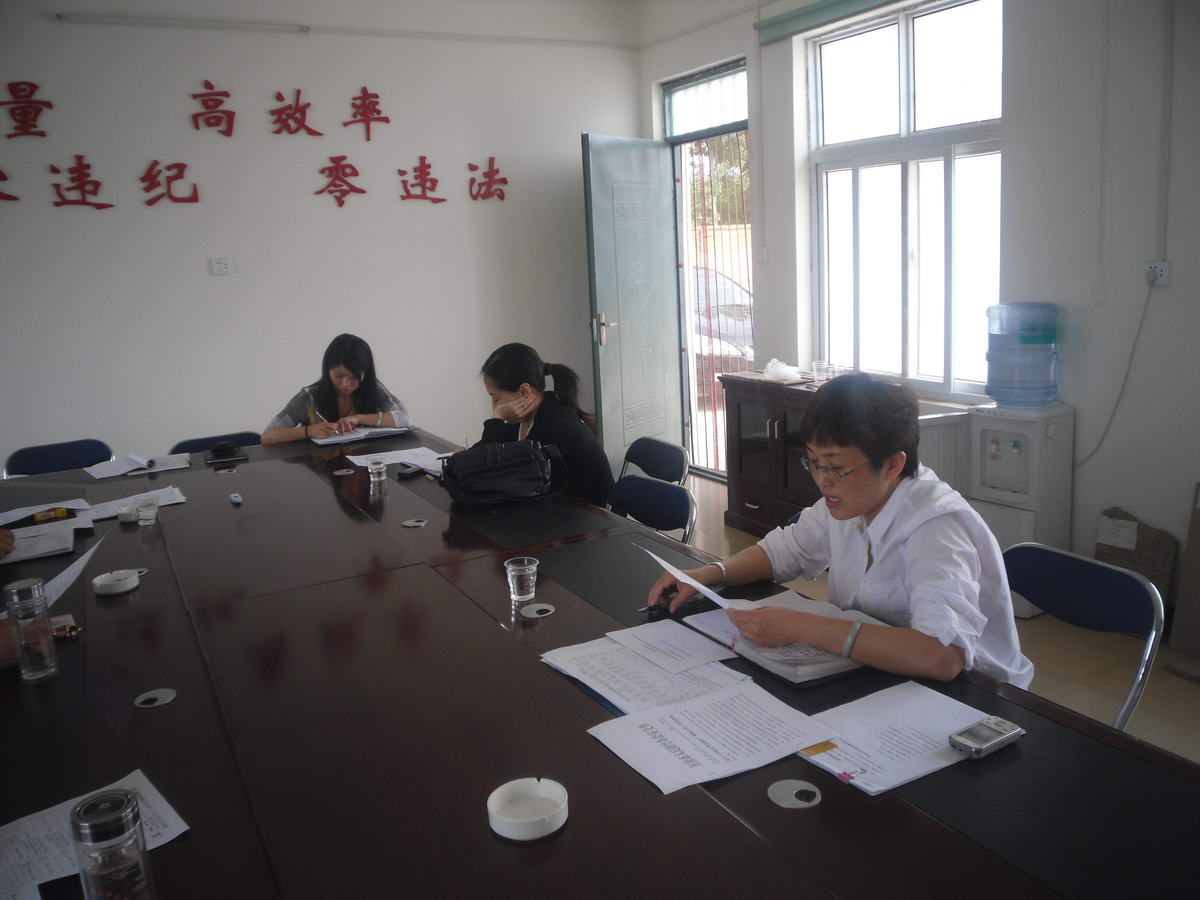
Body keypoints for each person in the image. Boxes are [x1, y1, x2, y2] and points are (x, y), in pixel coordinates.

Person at [648, 373, 1033, 687]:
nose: (822, 480)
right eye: (814, 463)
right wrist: (708, 575)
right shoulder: (850, 501)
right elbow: (785, 551)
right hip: (882, 676)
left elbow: (940, 655)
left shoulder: (937, 527)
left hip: (975, 698)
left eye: (836, 467)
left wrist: (802, 626)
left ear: (893, 464)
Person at [477, 343, 613, 507]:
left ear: (525, 392)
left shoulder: (552, 425)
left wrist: (497, 417)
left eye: (495, 398)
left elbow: (494, 476)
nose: (494, 406)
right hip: (559, 507)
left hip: (591, 516)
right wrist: (465, 456)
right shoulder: (530, 415)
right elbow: (491, 452)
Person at [262, 334, 409, 444]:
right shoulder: (309, 397)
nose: (345, 384)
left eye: (354, 377)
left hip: (365, 464)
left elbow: (403, 418)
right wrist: (308, 431)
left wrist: (358, 418)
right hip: (320, 470)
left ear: (366, 373)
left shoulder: (373, 389)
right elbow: (268, 436)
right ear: (327, 370)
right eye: (339, 375)